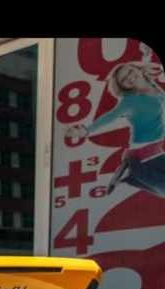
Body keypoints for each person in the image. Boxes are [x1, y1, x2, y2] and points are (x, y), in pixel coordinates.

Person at [65, 60, 165, 197]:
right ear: (124, 86)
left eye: (130, 71)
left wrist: (147, 59)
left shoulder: (154, 89)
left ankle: (131, 175)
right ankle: (132, 171)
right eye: (124, 79)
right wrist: (86, 130)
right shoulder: (130, 101)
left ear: (139, 69)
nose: (129, 77)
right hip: (144, 152)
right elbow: (109, 117)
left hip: (155, 149)